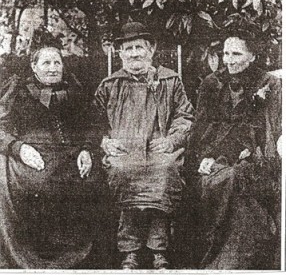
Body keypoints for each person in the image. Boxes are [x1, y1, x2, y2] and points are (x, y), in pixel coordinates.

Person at [93, 22, 194, 269]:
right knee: (124, 172)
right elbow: (92, 122)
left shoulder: (170, 80)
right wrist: (104, 141)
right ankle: (130, 251)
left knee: (164, 171)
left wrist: (172, 140)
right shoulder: (110, 85)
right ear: (120, 53)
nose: (135, 53)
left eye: (140, 47)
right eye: (128, 48)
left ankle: (158, 249)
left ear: (151, 50)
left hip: (159, 149)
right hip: (124, 150)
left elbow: (185, 116)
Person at [0, 36, 96, 269]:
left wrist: (87, 149)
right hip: (30, 155)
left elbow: (93, 125)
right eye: (46, 63)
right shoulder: (18, 91)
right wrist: (18, 148)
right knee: (36, 184)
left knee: (87, 184)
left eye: (57, 63)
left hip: (70, 155)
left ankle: (74, 257)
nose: (53, 68)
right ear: (34, 67)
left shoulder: (76, 92)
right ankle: (31, 257)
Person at [193, 30, 282, 269]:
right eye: (225, 53)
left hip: (255, 156)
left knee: (236, 177)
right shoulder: (212, 83)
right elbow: (201, 127)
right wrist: (205, 156)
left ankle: (233, 258)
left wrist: (239, 153)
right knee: (213, 179)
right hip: (214, 154)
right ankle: (216, 251)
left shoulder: (269, 84)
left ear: (252, 56)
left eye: (236, 53)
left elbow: (266, 129)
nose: (229, 60)